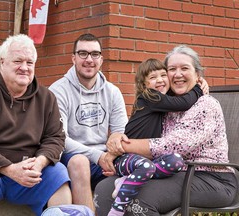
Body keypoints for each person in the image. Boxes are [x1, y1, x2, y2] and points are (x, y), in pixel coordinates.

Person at [94, 45, 238, 216]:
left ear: (197, 75)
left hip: (211, 178)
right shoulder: (165, 105)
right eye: (171, 69)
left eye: (185, 68)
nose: (177, 74)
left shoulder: (206, 105)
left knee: (141, 198)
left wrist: (121, 147)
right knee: (104, 189)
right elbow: (141, 129)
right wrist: (118, 139)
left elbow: (175, 146)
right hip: (170, 172)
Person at [0, 34, 72, 216]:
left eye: (30, 63)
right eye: (18, 61)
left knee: (58, 172)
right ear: (2, 62)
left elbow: (55, 138)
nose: (24, 68)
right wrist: (10, 169)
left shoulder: (46, 98)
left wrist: (40, 162)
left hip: (28, 170)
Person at [107, 58, 204, 216]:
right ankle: (116, 210)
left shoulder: (161, 100)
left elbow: (176, 99)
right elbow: (182, 103)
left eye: (163, 75)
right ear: (144, 84)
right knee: (146, 166)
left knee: (177, 161)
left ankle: (127, 180)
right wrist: (198, 88)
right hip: (125, 158)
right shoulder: (149, 96)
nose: (160, 80)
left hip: (146, 160)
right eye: (153, 78)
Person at [49, 33, 128, 212]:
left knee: (135, 162)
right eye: (83, 54)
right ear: (74, 58)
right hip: (71, 158)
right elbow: (60, 139)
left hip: (104, 157)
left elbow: (120, 132)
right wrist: (97, 156)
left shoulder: (112, 92)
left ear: (101, 59)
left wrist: (111, 154)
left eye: (94, 54)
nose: (89, 60)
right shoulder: (58, 90)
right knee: (80, 162)